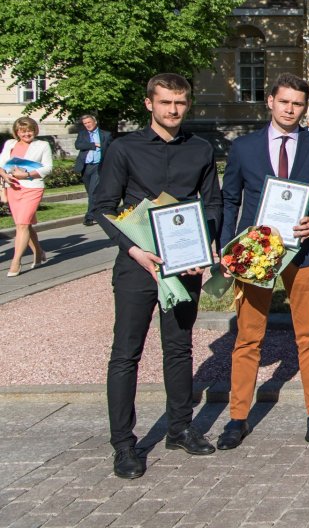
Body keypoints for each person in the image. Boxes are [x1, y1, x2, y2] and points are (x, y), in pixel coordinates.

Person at [93, 73, 221, 479]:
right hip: (137, 264)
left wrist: (205, 244)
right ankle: (124, 445)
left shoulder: (201, 149)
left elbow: (213, 203)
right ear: (149, 103)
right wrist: (134, 249)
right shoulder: (123, 148)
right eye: (165, 102)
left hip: (184, 265)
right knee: (126, 353)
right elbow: (102, 207)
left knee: (179, 347)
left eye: (180, 103)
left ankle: (181, 427)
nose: (173, 110)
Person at [216, 73, 309, 450]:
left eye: (298, 104)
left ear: (305, 107)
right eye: (284, 101)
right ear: (270, 101)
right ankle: (237, 417)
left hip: (303, 250)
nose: (290, 109)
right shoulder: (244, 148)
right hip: (255, 253)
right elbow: (230, 199)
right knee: (249, 337)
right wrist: (226, 247)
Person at [2, 117, 54, 276]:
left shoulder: (42, 145)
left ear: (35, 130)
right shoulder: (10, 144)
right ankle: (39, 253)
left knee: (22, 225)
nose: (26, 134)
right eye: (23, 131)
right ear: (17, 132)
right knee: (24, 224)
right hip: (13, 188)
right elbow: (1, 164)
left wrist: (26, 174)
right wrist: (4, 176)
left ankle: (15, 262)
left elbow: (48, 168)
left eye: (29, 130)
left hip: (32, 188)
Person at [74, 113, 113, 226]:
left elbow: (111, 149)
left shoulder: (105, 134)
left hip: (98, 166)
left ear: (95, 122)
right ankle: (101, 211)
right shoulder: (82, 134)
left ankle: (89, 217)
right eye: (85, 123)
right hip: (86, 167)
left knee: (93, 192)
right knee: (90, 192)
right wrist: (93, 145)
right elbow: (78, 145)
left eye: (89, 122)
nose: (87, 125)